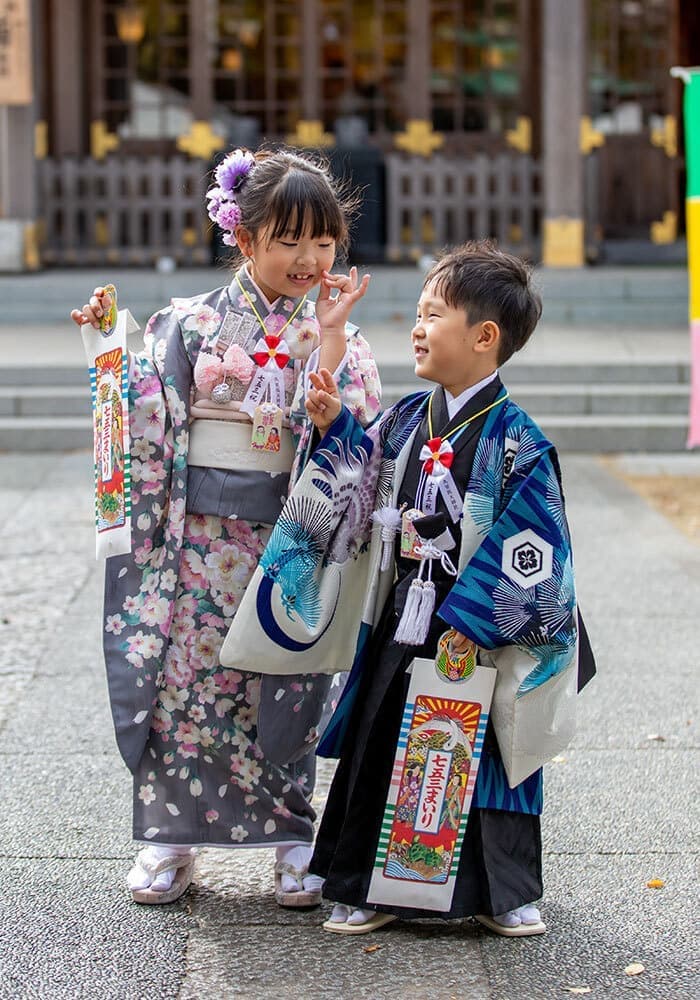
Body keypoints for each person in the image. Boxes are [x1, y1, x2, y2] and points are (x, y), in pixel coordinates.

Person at [70, 146, 381, 906]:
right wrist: (110, 349)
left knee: (288, 683)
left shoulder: (336, 326)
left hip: (291, 543)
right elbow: (147, 415)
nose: (310, 258)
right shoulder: (188, 325)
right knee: (185, 684)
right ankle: (169, 841)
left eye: (324, 240)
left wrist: (332, 370)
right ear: (244, 239)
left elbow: (363, 437)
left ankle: (291, 840)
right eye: (290, 240)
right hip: (197, 541)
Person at [258, 239, 593, 936]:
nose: (415, 326)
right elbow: (360, 476)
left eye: (431, 313)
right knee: (384, 741)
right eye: (416, 313)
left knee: (489, 760)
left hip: (474, 625)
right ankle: (366, 886)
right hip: (404, 613)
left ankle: (502, 895)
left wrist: (475, 619)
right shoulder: (409, 418)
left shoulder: (517, 441)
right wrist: (334, 427)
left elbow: (535, 547)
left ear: (484, 336)